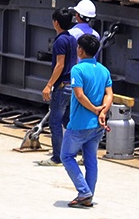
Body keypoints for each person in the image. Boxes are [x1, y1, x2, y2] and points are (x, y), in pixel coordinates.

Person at [60, 35, 113, 208]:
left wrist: (95, 109)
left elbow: (80, 95)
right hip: (97, 125)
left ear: (80, 50)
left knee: (66, 156)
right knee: (91, 161)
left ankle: (84, 192)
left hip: (79, 124)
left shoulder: (77, 69)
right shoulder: (104, 70)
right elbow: (109, 94)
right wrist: (102, 111)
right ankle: (88, 195)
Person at [39, 7, 78, 167]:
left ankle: (57, 157)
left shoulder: (60, 41)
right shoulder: (72, 39)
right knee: (68, 121)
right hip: (72, 85)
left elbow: (60, 65)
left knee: (55, 121)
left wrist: (48, 85)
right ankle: (71, 153)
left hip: (62, 86)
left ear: (56, 22)